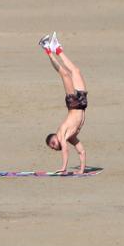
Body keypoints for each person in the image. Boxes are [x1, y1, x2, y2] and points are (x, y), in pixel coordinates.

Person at [39, 32, 87, 174]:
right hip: (82, 104)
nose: (55, 147)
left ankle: (47, 49)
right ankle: (57, 48)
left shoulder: (61, 133)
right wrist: (82, 170)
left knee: (65, 74)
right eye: (53, 148)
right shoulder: (70, 137)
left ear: (55, 136)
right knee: (76, 71)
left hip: (73, 104)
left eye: (52, 144)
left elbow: (65, 150)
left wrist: (64, 167)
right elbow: (81, 151)